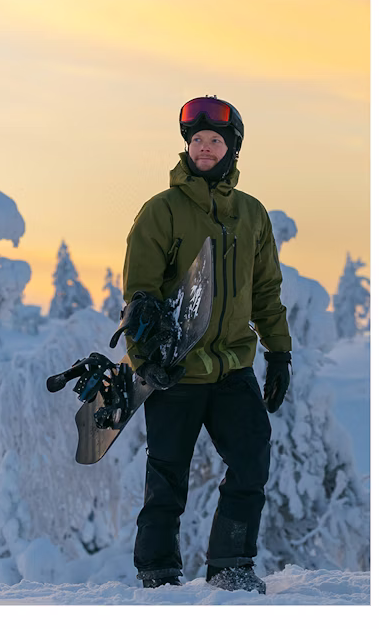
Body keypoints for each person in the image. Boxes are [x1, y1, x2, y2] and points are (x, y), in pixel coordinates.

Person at [122, 95, 292, 593]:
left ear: (232, 148)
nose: (204, 147)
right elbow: (139, 295)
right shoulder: (162, 211)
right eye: (197, 140)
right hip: (177, 368)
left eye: (215, 140)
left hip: (233, 367)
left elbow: (266, 291)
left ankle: (231, 565)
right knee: (167, 475)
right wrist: (144, 360)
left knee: (251, 461)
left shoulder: (252, 214)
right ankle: (157, 573)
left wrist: (279, 352)